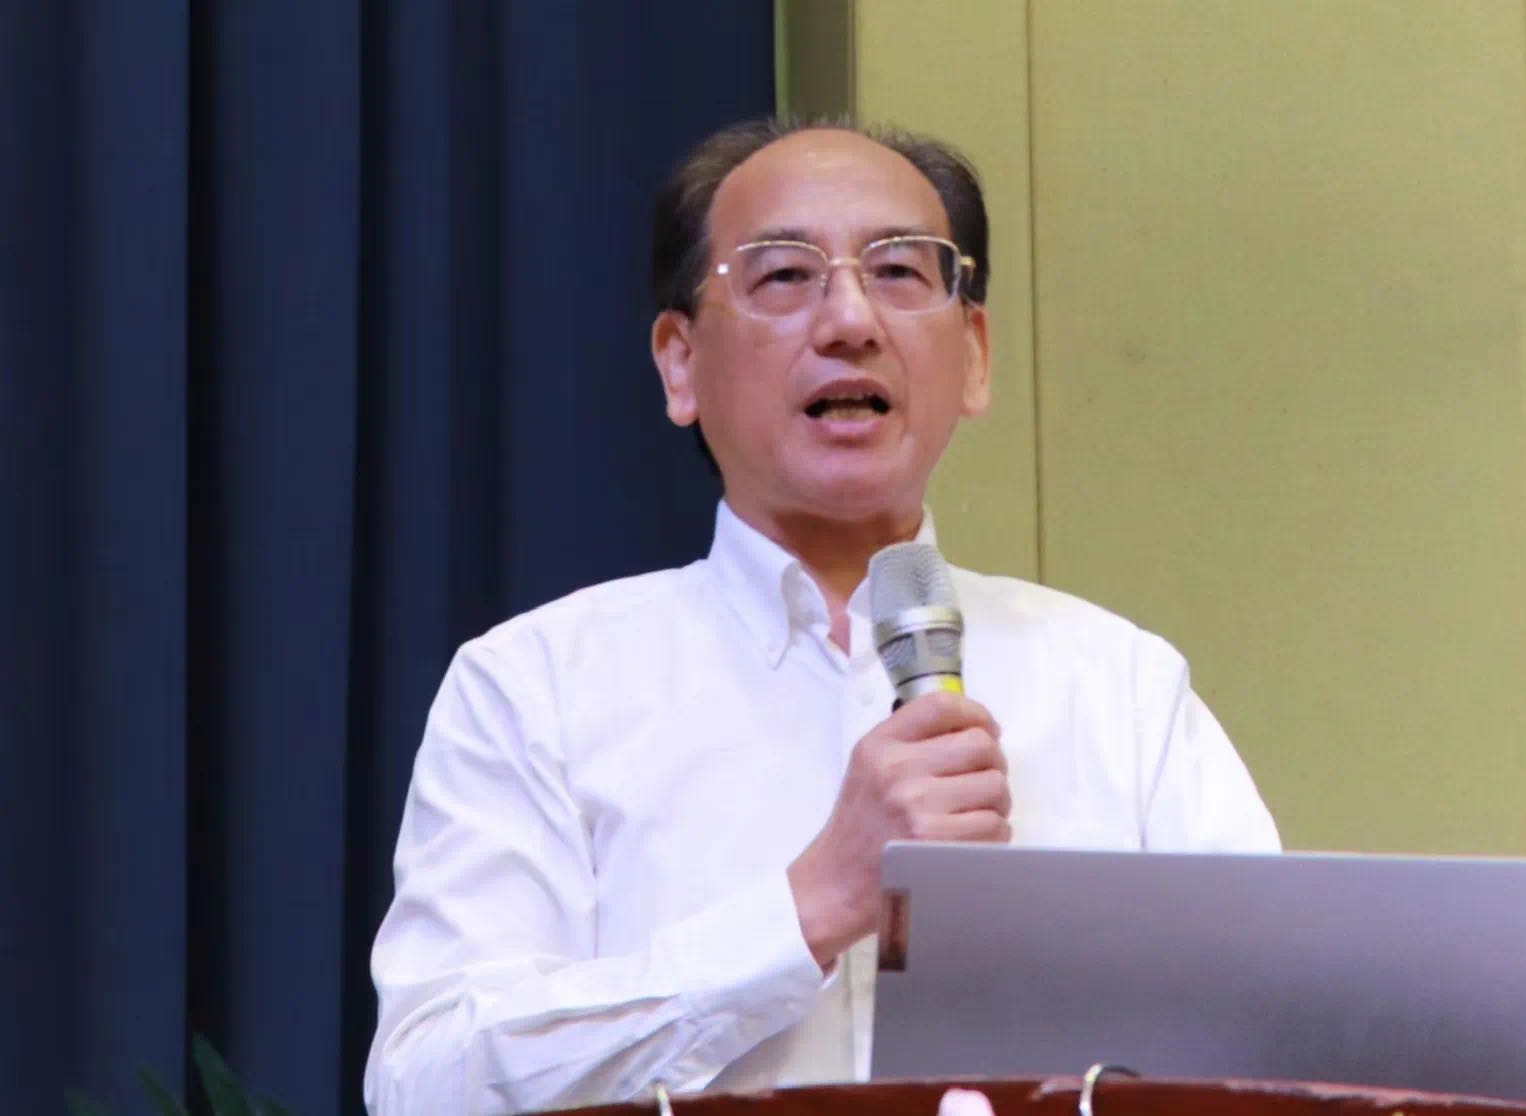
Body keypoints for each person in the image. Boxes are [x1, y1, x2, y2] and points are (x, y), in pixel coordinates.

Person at [364, 117, 1279, 1115]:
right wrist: (809, 910)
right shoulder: (537, 686)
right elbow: (427, 1086)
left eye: (899, 271)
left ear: (974, 354)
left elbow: (1277, 1047)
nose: (850, 320)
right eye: (786, 276)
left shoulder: (1119, 688)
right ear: (679, 362)